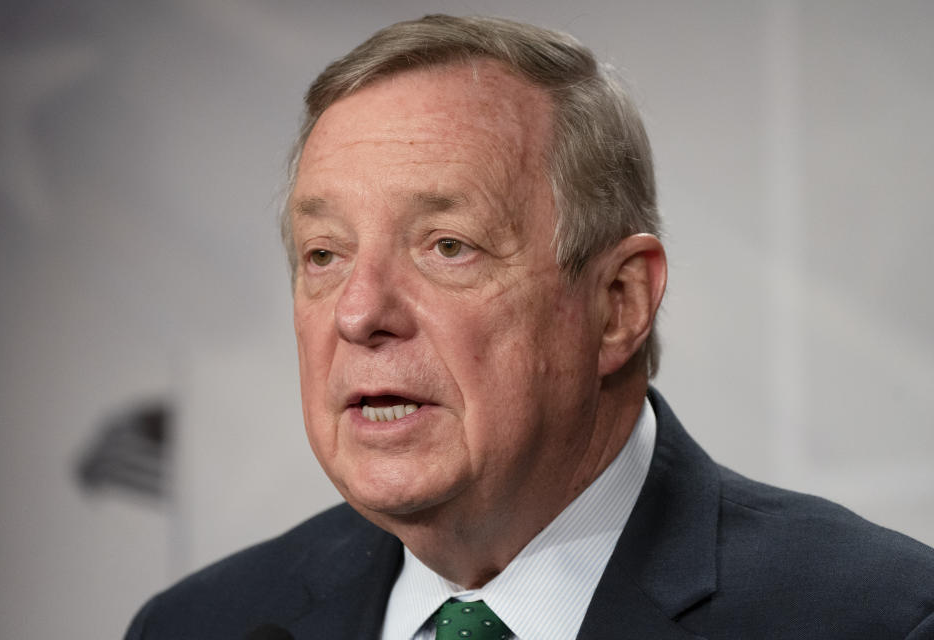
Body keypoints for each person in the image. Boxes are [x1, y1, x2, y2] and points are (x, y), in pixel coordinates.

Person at [126, 14, 934, 640]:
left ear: (617, 302)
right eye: (324, 254)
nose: (359, 312)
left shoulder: (877, 619)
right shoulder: (202, 624)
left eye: (447, 246)